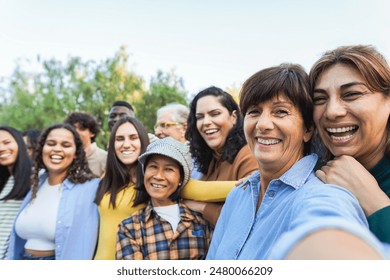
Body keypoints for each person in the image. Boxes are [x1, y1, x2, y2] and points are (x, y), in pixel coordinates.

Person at [206, 63, 386, 260]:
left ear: (308, 130)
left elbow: (327, 234)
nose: (263, 124)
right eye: (254, 112)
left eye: (281, 112)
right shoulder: (238, 195)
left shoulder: (326, 195)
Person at [94, 116, 234, 260]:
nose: (126, 144)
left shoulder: (154, 183)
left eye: (133, 137)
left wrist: (249, 182)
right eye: (119, 139)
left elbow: (207, 190)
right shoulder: (107, 181)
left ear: (142, 141)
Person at [309, 45, 390, 244]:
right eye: (320, 99)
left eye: (351, 94)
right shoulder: (310, 174)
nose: (331, 112)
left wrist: (374, 203)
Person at [7, 123, 100, 260]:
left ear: (76, 153)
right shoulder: (36, 184)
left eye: (66, 145)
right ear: (42, 149)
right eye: (51, 143)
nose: (57, 149)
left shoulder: (91, 188)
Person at [116, 137, 213, 260]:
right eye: (153, 167)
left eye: (168, 169)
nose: (158, 176)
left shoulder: (201, 220)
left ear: (180, 179)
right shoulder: (129, 227)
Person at [185, 86, 258, 225]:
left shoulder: (249, 155)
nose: (206, 122)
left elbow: (246, 219)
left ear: (234, 117)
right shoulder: (211, 158)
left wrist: (202, 207)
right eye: (200, 117)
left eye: (215, 114)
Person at [0, 126, 32, 259]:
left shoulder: (37, 179)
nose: (1, 148)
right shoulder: (6, 181)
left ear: (19, 143)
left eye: (6, 142)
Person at [64, 111, 107, 177]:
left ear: (92, 133)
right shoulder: (65, 157)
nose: (76, 132)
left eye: (81, 128)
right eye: (73, 128)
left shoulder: (104, 158)